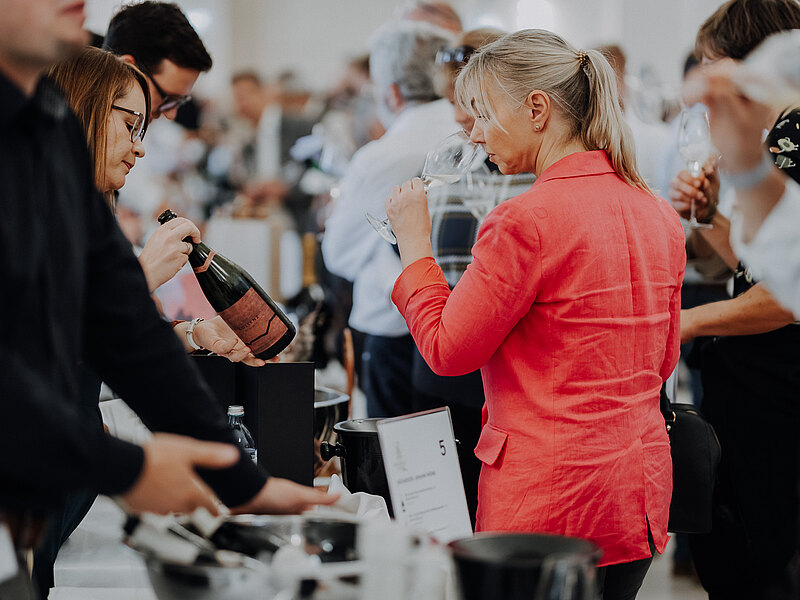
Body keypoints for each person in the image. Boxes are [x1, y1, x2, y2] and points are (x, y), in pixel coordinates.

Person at [0, 2, 334, 597]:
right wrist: (128, 469)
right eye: (132, 124)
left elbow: (123, 325)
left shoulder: (45, 128)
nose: (140, 148)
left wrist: (243, 483)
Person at [387, 29, 685, 599]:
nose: (475, 134)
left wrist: (414, 247)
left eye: (483, 115)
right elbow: (664, 358)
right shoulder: (658, 212)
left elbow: (447, 351)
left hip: (547, 499)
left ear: (537, 109)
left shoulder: (524, 220)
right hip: (635, 493)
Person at [667, 1, 800, 597]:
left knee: (760, 560)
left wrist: (689, 321)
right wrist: (711, 214)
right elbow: (769, 260)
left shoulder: (791, 131)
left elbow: (787, 296)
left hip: (775, 389)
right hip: (761, 387)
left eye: (713, 66)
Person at [409, 27, 536, 525]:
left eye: (472, 104)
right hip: (442, 337)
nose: (463, 118)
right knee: (441, 501)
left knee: (480, 500)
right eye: (453, 102)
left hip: (495, 356)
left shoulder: (529, 167)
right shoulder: (461, 154)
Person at [321, 19, 458, 419]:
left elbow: (339, 254)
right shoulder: (473, 133)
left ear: (391, 93)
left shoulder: (382, 156)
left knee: (397, 450)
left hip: (394, 324)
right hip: (465, 323)